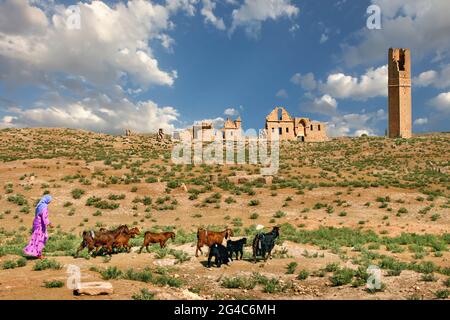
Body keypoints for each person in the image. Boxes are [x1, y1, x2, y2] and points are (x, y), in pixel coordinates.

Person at [23, 195, 54, 259]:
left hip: (36, 223)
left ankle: (36, 253)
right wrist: (49, 224)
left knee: (36, 238)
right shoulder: (44, 207)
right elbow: (44, 217)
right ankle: (39, 254)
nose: (50, 202)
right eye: (50, 200)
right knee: (41, 239)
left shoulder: (39, 205)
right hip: (40, 225)